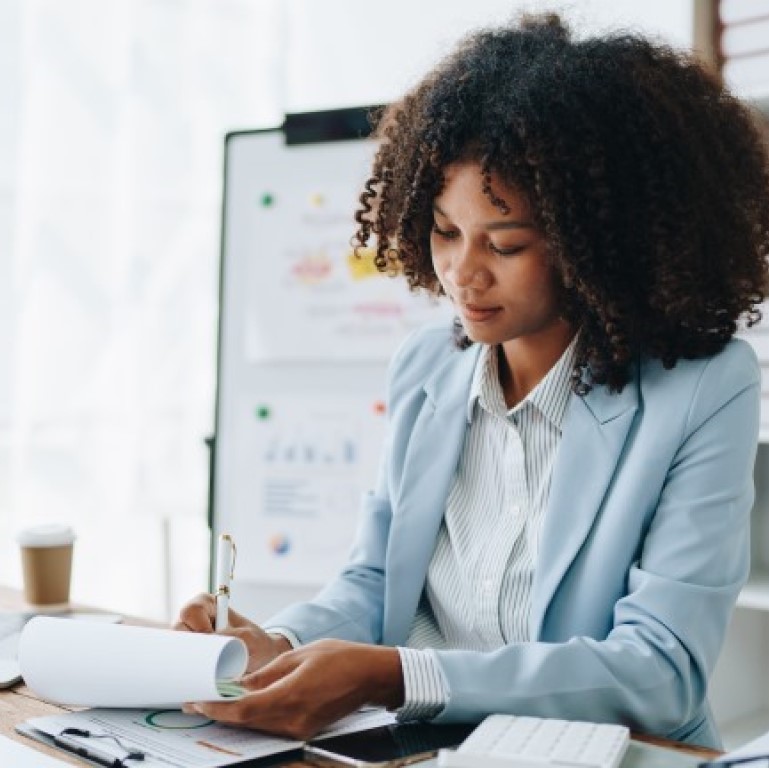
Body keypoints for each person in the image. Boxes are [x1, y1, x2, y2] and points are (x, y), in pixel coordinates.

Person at [176, 14, 769, 749]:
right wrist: (274, 640)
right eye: (445, 231)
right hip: (419, 748)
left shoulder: (702, 388)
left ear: (600, 242)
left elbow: (657, 673)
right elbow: (372, 581)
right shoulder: (426, 366)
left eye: (506, 243)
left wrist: (393, 675)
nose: (462, 273)